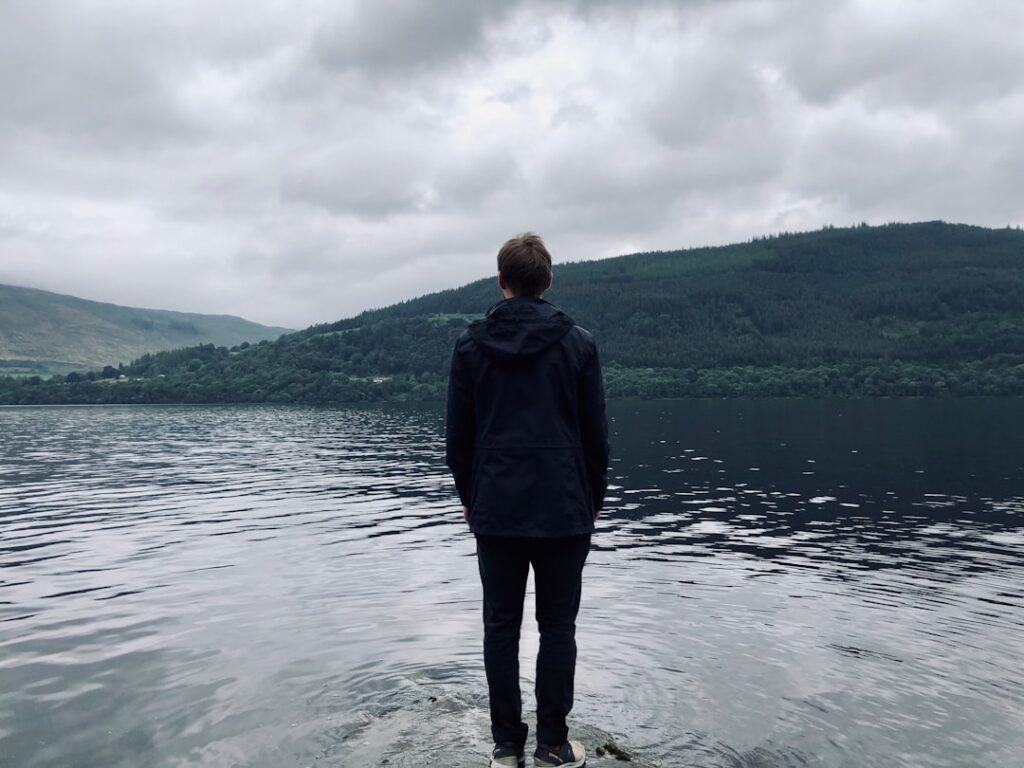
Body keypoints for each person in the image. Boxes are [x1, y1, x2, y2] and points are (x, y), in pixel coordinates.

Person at [446, 232, 610, 768]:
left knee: (500, 627)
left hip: (496, 506)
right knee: (557, 628)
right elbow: (596, 438)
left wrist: (471, 497)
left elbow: (458, 439)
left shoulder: (471, 346)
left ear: (502, 281)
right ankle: (553, 746)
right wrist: (594, 498)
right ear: (548, 281)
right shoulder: (579, 344)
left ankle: (505, 747)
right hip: (565, 507)